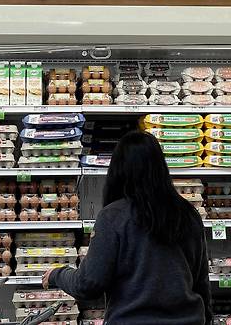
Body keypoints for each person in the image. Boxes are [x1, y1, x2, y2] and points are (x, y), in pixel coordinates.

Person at [43, 130, 212, 325]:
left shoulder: (113, 216)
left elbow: (89, 284)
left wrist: (58, 275)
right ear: (161, 168)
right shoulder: (188, 214)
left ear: (118, 170)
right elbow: (201, 283)